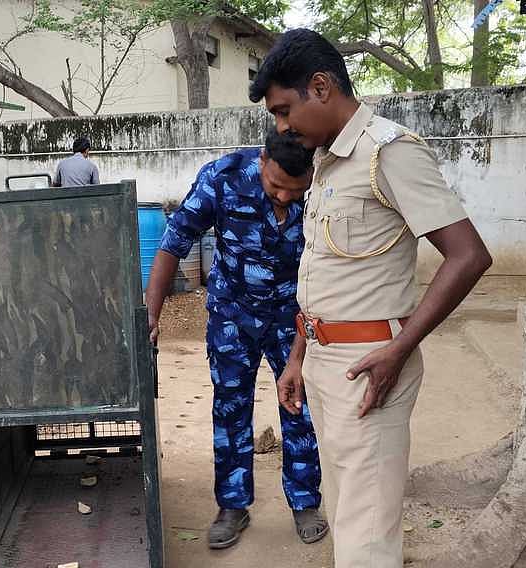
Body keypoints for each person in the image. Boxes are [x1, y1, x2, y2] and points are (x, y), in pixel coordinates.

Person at [251, 29, 492, 567]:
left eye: (284, 110)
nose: (282, 127)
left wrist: (400, 348)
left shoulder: (389, 152)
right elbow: (323, 277)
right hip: (322, 361)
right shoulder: (328, 163)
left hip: (371, 366)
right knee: (347, 517)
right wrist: (297, 356)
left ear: (320, 86)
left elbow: (469, 255)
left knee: (367, 538)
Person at [145, 129, 327, 550]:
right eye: (276, 185)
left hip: (293, 317)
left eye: (294, 192)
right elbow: (173, 244)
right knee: (230, 408)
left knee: (299, 404)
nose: (283, 198)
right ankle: (232, 505)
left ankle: (304, 501)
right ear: (262, 160)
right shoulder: (221, 178)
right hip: (233, 315)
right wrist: (151, 315)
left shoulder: (323, 183)